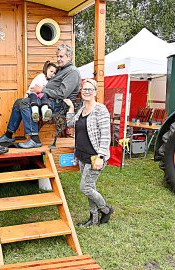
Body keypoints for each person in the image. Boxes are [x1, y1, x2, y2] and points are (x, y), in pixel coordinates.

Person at [0, 44, 81, 148]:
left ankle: (34, 139)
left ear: (69, 57)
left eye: (61, 56)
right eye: (57, 56)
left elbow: (62, 93)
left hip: (59, 105)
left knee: (24, 103)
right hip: (48, 100)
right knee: (19, 102)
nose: (58, 59)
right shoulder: (62, 69)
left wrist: (42, 89)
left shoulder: (72, 72)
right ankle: (8, 135)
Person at [63, 78, 114, 227]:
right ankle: (94, 218)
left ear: (95, 92)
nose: (86, 91)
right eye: (84, 89)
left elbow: (106, 135)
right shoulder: (81, 109)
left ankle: (105, 209)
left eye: (89, 89)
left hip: (94, 157)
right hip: (81, 155)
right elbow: (70, 124)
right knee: (90, 187)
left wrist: (101, 156)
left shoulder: (100, 109)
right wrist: (71, 107)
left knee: (85, 187)